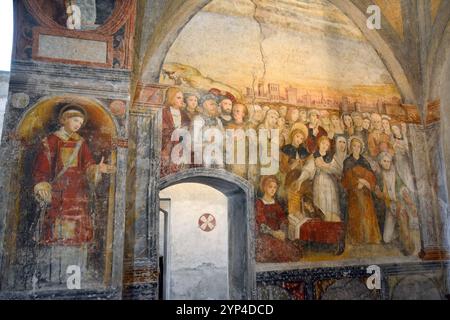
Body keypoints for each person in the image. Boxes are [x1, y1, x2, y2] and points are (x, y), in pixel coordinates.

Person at [33, 104, 116, 284]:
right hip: (58, 195)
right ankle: (53, 277)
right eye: (75, 120)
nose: (78, 124)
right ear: (64, 119)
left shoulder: (81, 142)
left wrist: (97, 169)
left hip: (78, 195)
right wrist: (42, 184)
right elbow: (43, 167)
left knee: (78, 232)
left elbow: (87, 165)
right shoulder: (51, 140)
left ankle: (75, 278)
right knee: (56, 231)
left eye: (81, 121)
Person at [374, 152, 419, 255]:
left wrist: (411, 205)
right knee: (386, 239)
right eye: (384, 161)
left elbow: (403, 190)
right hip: (389, 206)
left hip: (398, 204)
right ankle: (397, 233)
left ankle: (408, 246)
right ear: (380, 162)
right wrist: (379, 194)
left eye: (388, 161)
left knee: (403, 220)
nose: (386, 163)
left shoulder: (395, 174)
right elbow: (379, 193)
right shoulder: (379, 176)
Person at [342, 137, 382, 245]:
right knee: (357, 212)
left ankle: (370, 238)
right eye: (354, 146)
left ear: (361, 148)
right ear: (351, 147)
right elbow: (346, 178)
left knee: (367, 212)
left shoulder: (364, 161)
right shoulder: (347, 161)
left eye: (358, 146)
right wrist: (357, 181)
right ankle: (357, 239)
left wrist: (365, 182)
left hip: (365, 192)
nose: (356, 148)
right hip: (353, 192)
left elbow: (371, 176)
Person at [293, 136, 341, 222]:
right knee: (320, 206)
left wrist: (326, 166)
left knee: (331, 206)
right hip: (319, 184)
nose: (324, 146)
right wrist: (300, 180)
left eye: (327, 145)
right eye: (323, 143)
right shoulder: (314, 156)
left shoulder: (331, 158)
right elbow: (307, 170)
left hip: (330, 185)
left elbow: (338, 170)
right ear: (319, 144)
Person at [256, 176, 302, 262]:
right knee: (275, 250)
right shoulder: (259, 203)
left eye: (275, 187)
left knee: (290, 250)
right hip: (266, 234)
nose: (273, 190)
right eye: (270, 187)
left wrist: (282, 231)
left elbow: (282, 218)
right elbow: (261, 224)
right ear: (264, 187)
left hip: (278, 233)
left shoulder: (276, 204)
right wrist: (273, 233)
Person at [161, 87, 191, 176]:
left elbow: (188, 129)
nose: (182, 101)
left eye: (182, 98)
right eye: (178, 98)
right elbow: (163, 129)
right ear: (171, 98)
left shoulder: (184, 115)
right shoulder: (164, 112)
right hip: (167, 147)